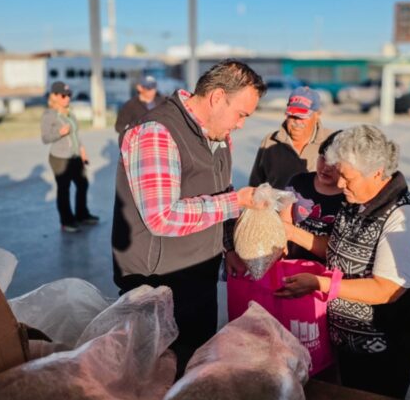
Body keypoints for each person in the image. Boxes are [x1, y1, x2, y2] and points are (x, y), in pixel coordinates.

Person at [112, 59, 266, 374]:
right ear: (217, 97)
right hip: (157, 287)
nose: (240, 124)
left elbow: (220, 191)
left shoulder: (219, 136)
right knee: (155, 381)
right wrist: (236, 202)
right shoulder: (157, 132)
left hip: (199, 279)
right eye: (241, 114)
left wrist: (229, 246)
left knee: (194, 371)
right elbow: (162, 216)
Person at [273, 125, 410, 399]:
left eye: (348, 178)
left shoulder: (405, 219)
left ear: (376, 173)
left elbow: (386, 289)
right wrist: (290, 233)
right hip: (346, 344)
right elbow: (335, 250)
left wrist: (322, 284)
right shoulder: (355, 201)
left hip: (384, 348)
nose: (339, 185)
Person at [40, 81, 98, 233]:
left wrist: (82, 150)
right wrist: (59, 133)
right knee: (64, 189)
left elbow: (75, 135)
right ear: (54, 96)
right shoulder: (49, 115)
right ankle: (66, 221)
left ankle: (82, 215)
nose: (67, 98)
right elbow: (45, 138)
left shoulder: (69, 112)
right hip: (59, 158)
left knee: (83, 184)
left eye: (69, 95)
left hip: (75, 156)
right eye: (64, 95)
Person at [249, 87, 334, 189]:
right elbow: (255, 184)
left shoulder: (332, 141)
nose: (297, 122)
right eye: (292, 116)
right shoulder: (270, 141)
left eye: (302, 117)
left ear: (317, 115)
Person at [279, 130, 344, 263]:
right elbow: (283, 222)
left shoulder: (349, 196)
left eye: (334, 163)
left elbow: (337, 250)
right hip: (292, 262)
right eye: (323, 158)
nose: (326, 167)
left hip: (325, 272)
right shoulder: (298, 181)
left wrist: (292, 232)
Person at [115, 74, 166, 141]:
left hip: (160, 140)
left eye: (154, 87)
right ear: (139, 87)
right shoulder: (130, 105)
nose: (152, 91)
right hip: (139, 142)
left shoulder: (163, 102)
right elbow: (119, 127)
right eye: (149, 88)